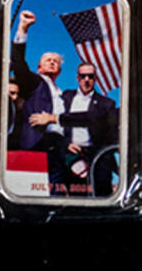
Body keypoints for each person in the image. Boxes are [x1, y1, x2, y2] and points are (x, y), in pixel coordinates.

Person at [28, 62, 118, 196]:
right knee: (76, 195)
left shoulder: (107, 104)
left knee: (101, 195)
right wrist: (66, 144)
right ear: (78, 78)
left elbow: (92, 119)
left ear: (95, 79)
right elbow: (57, 130)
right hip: (72, 155)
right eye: (83, 76)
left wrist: (53, 117)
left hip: (97, 156)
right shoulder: (66, 97)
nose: (86, 80)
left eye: (90, 76)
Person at [10, 10, 67, 191]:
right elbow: (18, 64)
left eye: (55, 61)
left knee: (58, 193)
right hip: (39, 142)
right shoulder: (35, 83)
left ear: (59, 70)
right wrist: (23, 28)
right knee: (35, 192)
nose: (52, 62)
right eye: (47, 60)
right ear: (39, 67)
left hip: (62, 146)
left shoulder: (64, 94)